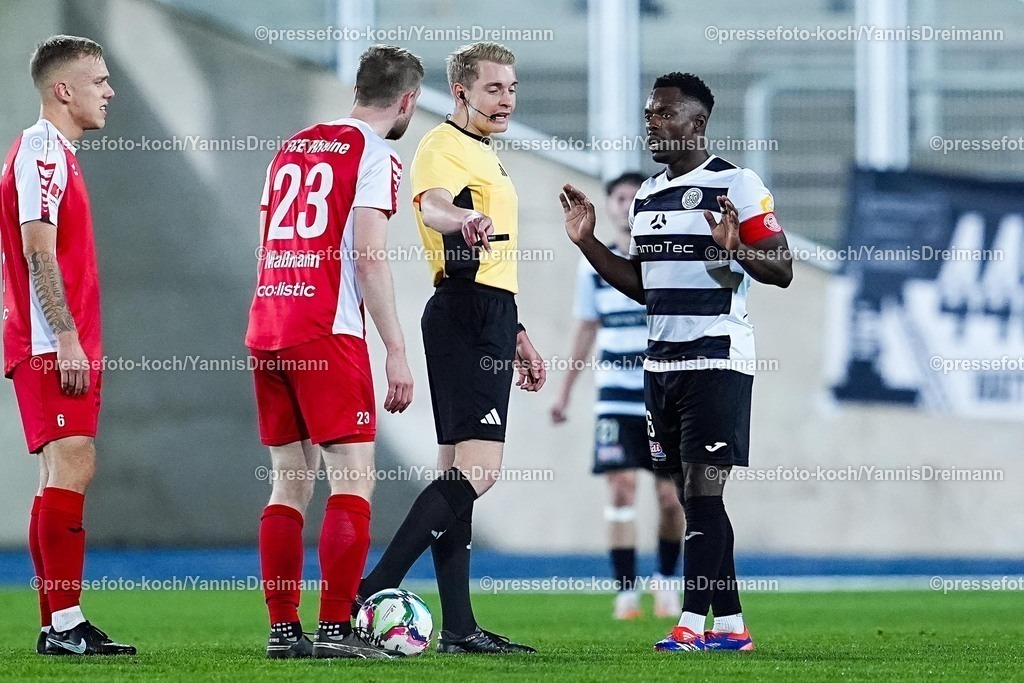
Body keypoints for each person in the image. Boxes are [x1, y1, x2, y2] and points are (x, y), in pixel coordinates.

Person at [560, 72, 793, 652]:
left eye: (664, 113)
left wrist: (737, 247)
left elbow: (782, 269)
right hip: (659, 368)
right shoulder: (646, 197)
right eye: (648, 114)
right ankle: (733, 627)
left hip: (716, 360)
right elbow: (645, 287)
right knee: (694, 499)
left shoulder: (737, 185)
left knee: (703, 494)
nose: (652, 123)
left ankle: (692, 622)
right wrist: (589, 243)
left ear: (698, 122)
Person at [357, 41, 545, 655]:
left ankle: (460, 627)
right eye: (494, 89)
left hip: (486, 312)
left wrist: (515, 333)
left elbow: (490, 256)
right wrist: (457, 222)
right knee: (480, 472)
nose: (506, 99)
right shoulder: (443, 146)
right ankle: (377, 585)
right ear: (461, 92)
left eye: (512, 88)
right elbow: (433, 206)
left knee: (455, 473)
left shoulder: (486, 155)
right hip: (467, 311)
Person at [245, 44, 422, 660]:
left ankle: (283, 631)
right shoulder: (378, 154)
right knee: (353, 479)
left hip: (268, 324)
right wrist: (396, 350)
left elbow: (269, 235)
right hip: (328, 327)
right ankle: (334, 628)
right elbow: (371, 257)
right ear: (407, 100)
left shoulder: (292, 146)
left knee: (288, 484)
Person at [0, 34, 134, 657]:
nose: (109, 91)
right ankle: (65, 622)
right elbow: (36, 247)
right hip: (52, 342)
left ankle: (60, 624)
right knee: (74, 461)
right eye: (100, 80)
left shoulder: (57, 154)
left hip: (57, 340)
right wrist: (67, 339)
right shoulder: (42, 152)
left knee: (60, 469)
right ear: (63, 89)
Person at [551, 171, 684, 621]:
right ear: (607, 205)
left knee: (670, 497)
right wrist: (564, 393)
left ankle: (667, 580)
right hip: (614, 396)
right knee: (621, 489)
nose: (626, 204)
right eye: (619, 197)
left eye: (634, 197)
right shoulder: (593, 263)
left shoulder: (663, 257)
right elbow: (585, 328)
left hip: (661, 394)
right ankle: (626, 592)